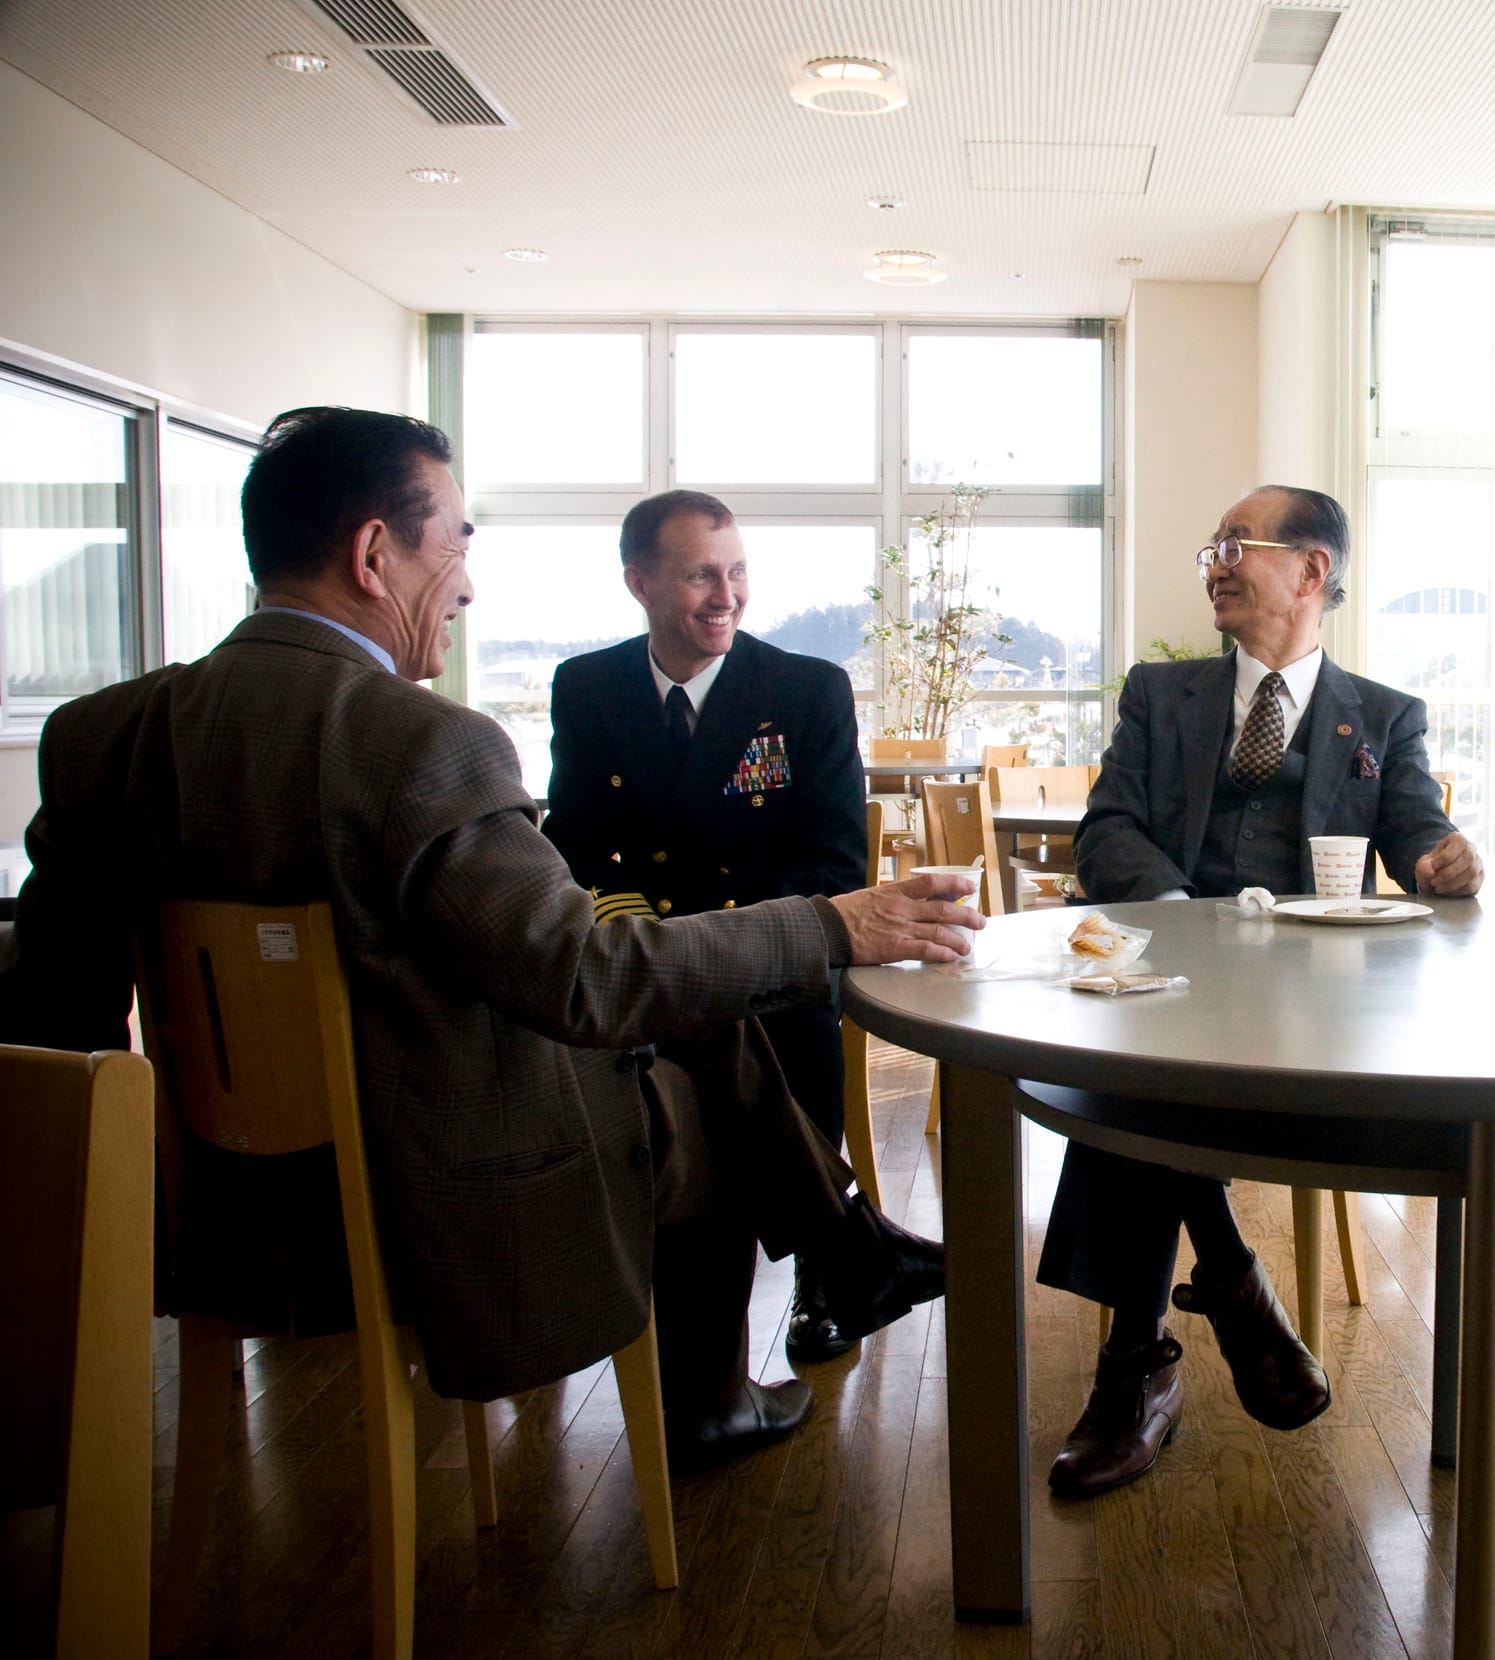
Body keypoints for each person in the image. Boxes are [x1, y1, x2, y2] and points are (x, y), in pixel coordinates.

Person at [0, 407, 984, 1469]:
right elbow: (583, 979)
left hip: (223, 1219)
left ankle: (846, 1258)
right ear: (373, 555)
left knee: (701, 1023)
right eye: (457, 545)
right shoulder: (422, 745)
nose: (467, 586)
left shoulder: (102, 737)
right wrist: (834, 922)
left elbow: (49, 1014)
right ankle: (724, 1385)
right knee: (704, 1084)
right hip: (438, 1207)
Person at [1043, 483, 1483, 1498]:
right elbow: (1106, 830)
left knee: (1136, 1086)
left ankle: (1142, 1363)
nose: (1216, 566)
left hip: (1309, 1004)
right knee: (1143, 1058)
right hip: (1169, 972)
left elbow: (1415, 832)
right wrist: (1177, 911)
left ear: (1311, 569)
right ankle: (1221, 1284)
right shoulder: (1162, 696)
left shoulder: (1385, 716)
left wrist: (1441, 862)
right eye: (1212, 549)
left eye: (1234, 545)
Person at [547, 489, 877, 1365]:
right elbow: (576, 846)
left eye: (737, 572)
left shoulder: (804, 690)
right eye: (700, 576)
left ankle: (818, 1273)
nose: (726, 596)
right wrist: (650, 947)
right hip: (651, 962)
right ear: (639, 582)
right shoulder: (588, 688)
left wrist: (739, 952)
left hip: (769, 959)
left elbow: (836, 865)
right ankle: (839, 1241)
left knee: (783, 1024)